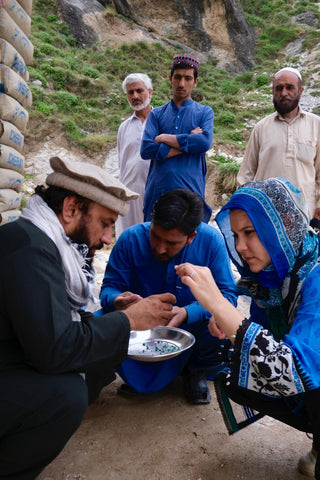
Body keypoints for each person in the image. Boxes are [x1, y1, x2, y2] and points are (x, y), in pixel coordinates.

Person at [0, 156, 176, 479]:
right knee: (66, 396)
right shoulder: (28, 248)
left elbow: (60, 326)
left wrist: (118, 317)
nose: (109, 237)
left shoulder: (45, 243)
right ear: (71, 209)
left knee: (100, 356)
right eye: (106, 223)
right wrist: (130, 321)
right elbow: (54, 348)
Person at [175, 177, 320, 478]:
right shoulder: (272, 279)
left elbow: (286, 367)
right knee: (236, 378)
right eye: (236, 235)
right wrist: (228, 323)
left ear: (286, 224)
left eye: (250, 233)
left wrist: (218, 304)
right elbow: (262, 334)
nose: (240, 247)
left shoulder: (315, 277)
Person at [100, 189, 237, 404]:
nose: (161, 248)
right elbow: (109, 289)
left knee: (218, 319)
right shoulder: (130, 239)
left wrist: (187, 312)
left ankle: (196, 370)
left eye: (172, 243)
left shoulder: (211, 242)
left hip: (190, 327)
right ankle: (136, 375)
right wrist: (117, 300)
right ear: (152, 219)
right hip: (142, 329)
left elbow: (228, 296)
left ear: (192, 236)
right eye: (155, 236)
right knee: (100, 320)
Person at [237, 67, 320, 220]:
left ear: (301, 91)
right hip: (266, 217)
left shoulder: (316, 125)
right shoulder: (261, 128)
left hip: (305, 217)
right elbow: (246, 176)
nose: (283, 93)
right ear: (273, 92)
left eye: (290, 87)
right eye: (279, 88)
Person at [140, 53, 214, 223]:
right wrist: (189, 140)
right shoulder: (157, 114)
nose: (182, 84)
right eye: (178, 77)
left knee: (189, 244)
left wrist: (165, 138)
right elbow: (146, 149)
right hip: (157, 193)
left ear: (195, 82)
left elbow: (204, 142)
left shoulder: (204, 112)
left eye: (188, 78)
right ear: (170, 78)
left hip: (191, 194)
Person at [115, 73, 153, 239]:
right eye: (130, 93)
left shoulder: (161, 120)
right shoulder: (124, 127)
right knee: (130, 239)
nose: (135, 96)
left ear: (150, 92)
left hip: (155, 191)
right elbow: (122, 162)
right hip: (129, 193)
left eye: (139, 91)